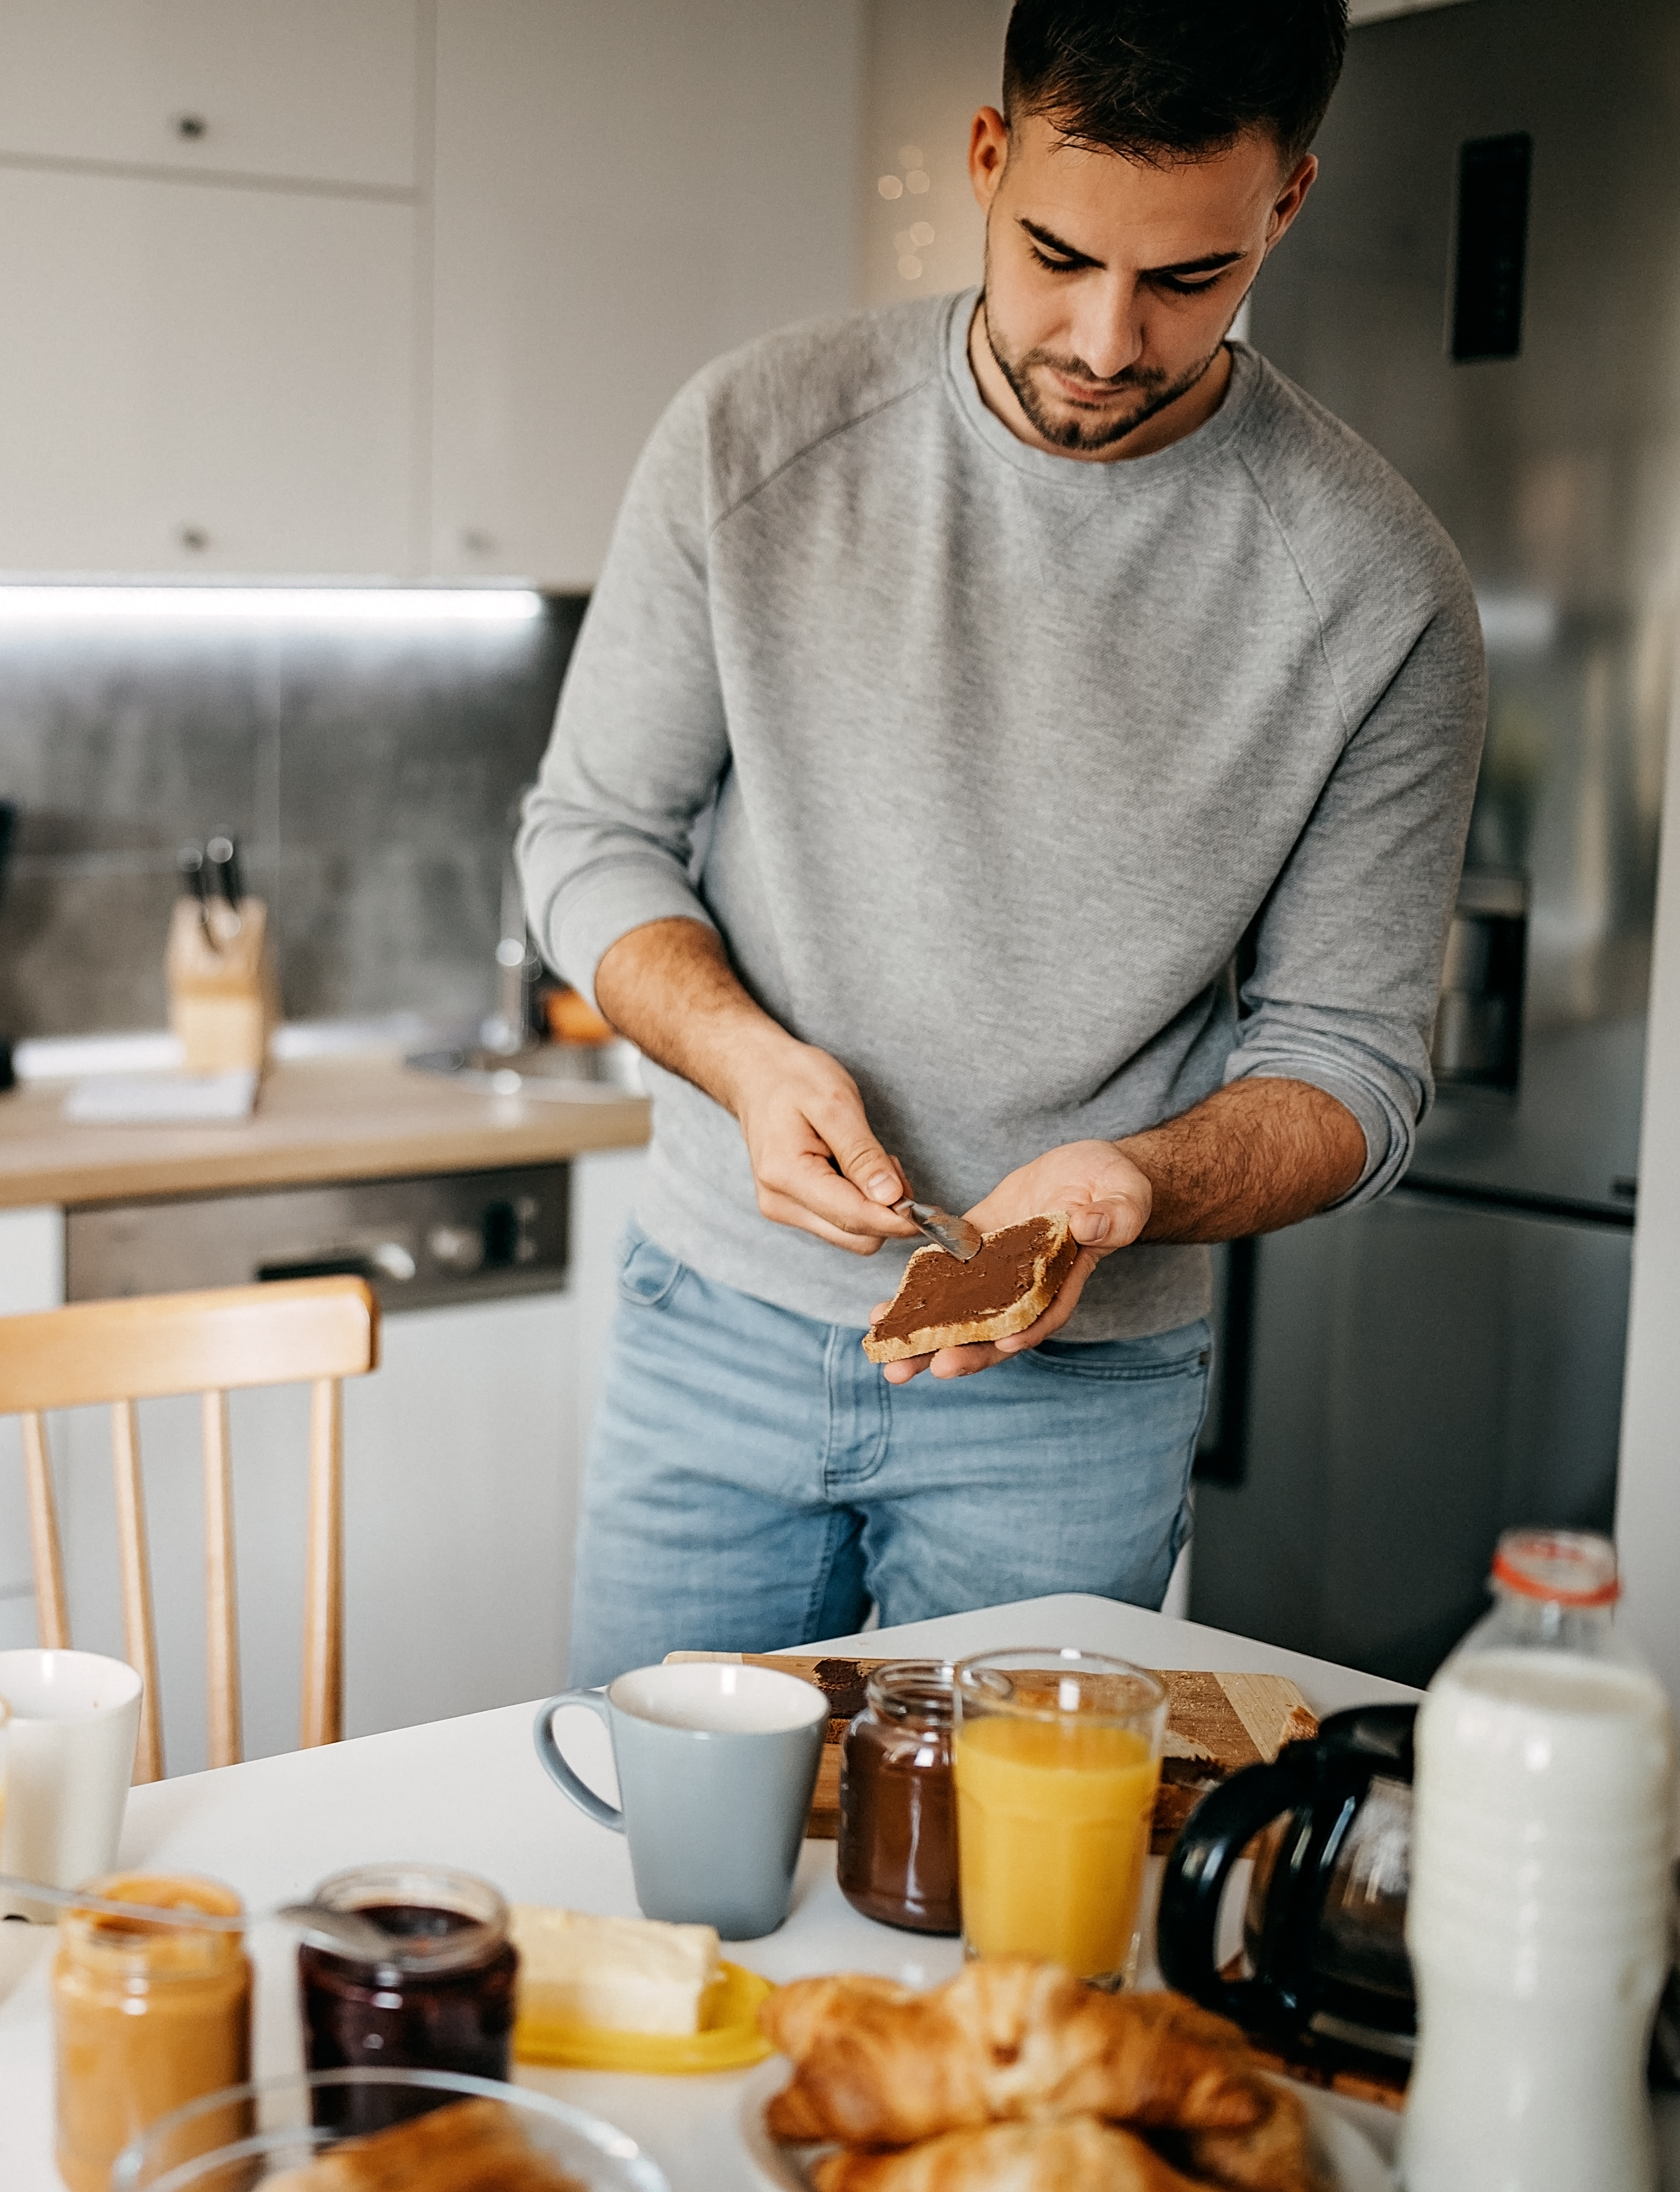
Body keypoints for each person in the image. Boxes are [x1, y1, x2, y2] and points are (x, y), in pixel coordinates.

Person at [522, 0, 1485, 1675]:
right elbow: (591, 838)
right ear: (988, 157)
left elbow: (1357, 1071)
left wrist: (1136, 1188)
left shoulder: (1379, 593)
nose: (1108, 338)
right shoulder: (755, 441)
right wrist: (746, 1060)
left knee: (1002, 1902)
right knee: (653, 1869)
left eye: (1189, 277)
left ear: (1289, 206)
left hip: (1081, 1399)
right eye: (1056, 253)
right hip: (717, 1327)